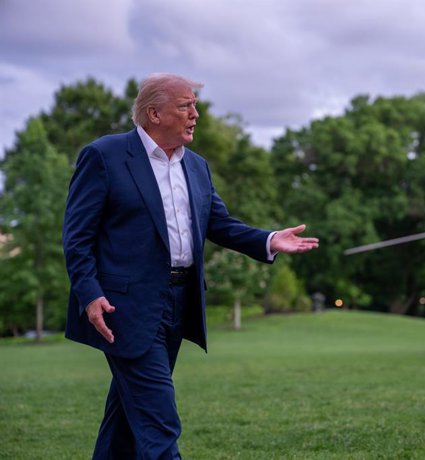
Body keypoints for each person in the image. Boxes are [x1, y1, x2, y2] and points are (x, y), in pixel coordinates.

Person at [62, 73, 319, 459]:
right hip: (125, 308)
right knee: (159, 419)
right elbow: (77, 235)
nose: (195, 114)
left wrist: (268, 239)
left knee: (126, 417)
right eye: (185, 106)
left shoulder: (196, 166)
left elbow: (219, 224)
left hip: (180, 303)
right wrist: (90, 293)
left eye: (194, 105)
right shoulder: (105, 156)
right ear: (154, 113)